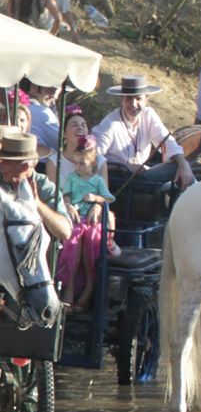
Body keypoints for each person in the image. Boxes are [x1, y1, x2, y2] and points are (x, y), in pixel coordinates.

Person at [93, 75, 195, 202]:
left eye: (138, 99)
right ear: (122, 99)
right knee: (174, 169)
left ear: (146, 99)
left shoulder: (148, 115)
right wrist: (125, 167)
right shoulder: (110, 124)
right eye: (128, 99)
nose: (133, 104)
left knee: (181, 167)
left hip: (142, 176)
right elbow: (92, 158)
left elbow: (166, 140)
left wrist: (183, 164)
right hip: (122, 182)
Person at [58, 132, 115, 309]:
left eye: (82, 163)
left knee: (90, 240)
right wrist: (69, 205)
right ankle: (70, 287)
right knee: (74, 240)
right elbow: (65, 196)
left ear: (92, 164)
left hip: (91, 221)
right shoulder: (72, 178)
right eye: (76, 163)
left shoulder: (97, 180)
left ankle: (89, 287)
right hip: (76, 220)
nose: (78, 167)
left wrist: (96, 199)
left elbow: (109, 198)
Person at [0, 130, 71, 245]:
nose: (1, 166)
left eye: (6, 162)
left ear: (24, 167)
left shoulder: (44, 186)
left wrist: (37, 203)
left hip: (35, 256)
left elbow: (65, 232)